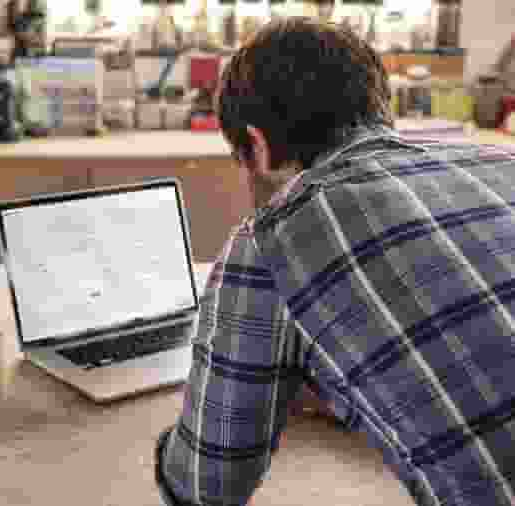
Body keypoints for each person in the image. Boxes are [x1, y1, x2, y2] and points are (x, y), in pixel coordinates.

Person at [155, 17, 515, 506]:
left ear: (257, 147)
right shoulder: (501, 164)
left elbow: (203, 487)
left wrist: (164, 450)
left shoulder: (274, 239)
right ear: (378, 107)